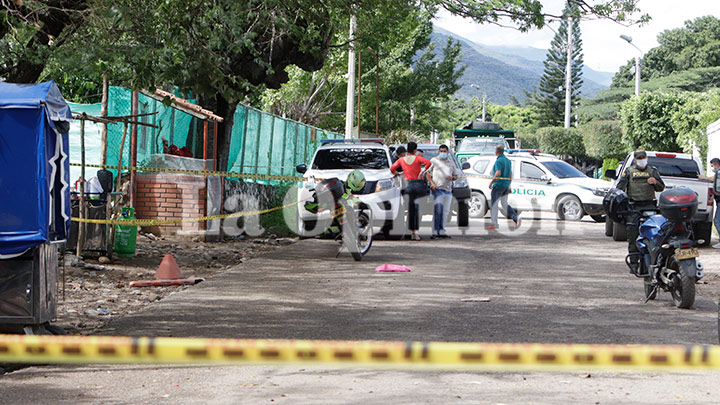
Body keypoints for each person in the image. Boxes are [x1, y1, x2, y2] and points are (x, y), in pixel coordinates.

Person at [616, 149, 665, 272]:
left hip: (649, 206)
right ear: (635, 160)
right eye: (639, 158)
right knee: (633, 235)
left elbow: (661, 187)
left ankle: (653, 261)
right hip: (634, 207)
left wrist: (655, 182)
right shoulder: (629, 172)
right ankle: (634, 263)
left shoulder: (652, 171)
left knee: (652, 234)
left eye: (644, 157)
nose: (642, 160)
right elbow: (620, 189)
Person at [391, 141, 432, 240]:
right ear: (415, 150)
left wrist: (399, 173)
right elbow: (428, 163)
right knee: (418, 209)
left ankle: (409, 231)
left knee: (410, 209)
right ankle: (416, 232)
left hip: (408, 185)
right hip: (418, 184)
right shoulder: (418, 158)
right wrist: (423, 171)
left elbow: (392, 169)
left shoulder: (402, 159)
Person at [427, 145, 458, 239]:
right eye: (441, 151)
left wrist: (452, 178)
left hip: (448, 190)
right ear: (438, 152)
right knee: (438, 211)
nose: (443, 153)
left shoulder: (451, 163)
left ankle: (442, 231)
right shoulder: (434, 161)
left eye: (444, 151)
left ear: (448, 152)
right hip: (438, 189)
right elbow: (427, 173)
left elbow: (456, 176)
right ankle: (435, 232)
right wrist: (432, 183)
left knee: (445, 212)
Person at [487, 145, 518, 230]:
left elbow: (498, 173)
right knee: (504, 203)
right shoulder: (508, 161)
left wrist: (491, 182)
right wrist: (509, 185)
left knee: (494, 204)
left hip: (498, 185)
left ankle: (494, 223)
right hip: (506, 185)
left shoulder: (498, 161)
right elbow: (510, 174)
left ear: (497, 151)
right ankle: (514, 216)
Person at [699, 157, 720, 248]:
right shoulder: (718, 173)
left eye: (712, 166)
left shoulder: (719, 173)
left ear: (716, 164)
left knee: (717, 221)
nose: (712, 168)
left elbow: (713, 179)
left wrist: (703, 178)